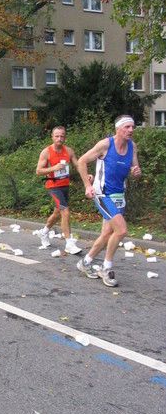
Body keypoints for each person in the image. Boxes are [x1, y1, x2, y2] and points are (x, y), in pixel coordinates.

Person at [76, 115, 142, 287]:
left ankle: (85, 262)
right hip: (102, 194)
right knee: (121, 230)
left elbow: (136, 169)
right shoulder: (105, 145)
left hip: (119, 195)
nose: (131, 130)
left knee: (107, 233)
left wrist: (137, 172)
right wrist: (87, 186)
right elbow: (82, 161)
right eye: (127, 127)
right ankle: (106, 268)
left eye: (133, 127)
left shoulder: (132, 146)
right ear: (117, 129)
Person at [35, 126, 83, 254]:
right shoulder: (46, 152)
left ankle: (43, 232)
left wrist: (86, 175)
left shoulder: (69, 151)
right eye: (57, 136)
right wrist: (53, 168)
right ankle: (69, 244)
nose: (59, 138)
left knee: (57, 213)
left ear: (65, 137)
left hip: (65, 185)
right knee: (65, 212)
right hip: (53, 186)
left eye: (62, 136)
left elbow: (78, 165)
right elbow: (38, 171)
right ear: (52, 137)